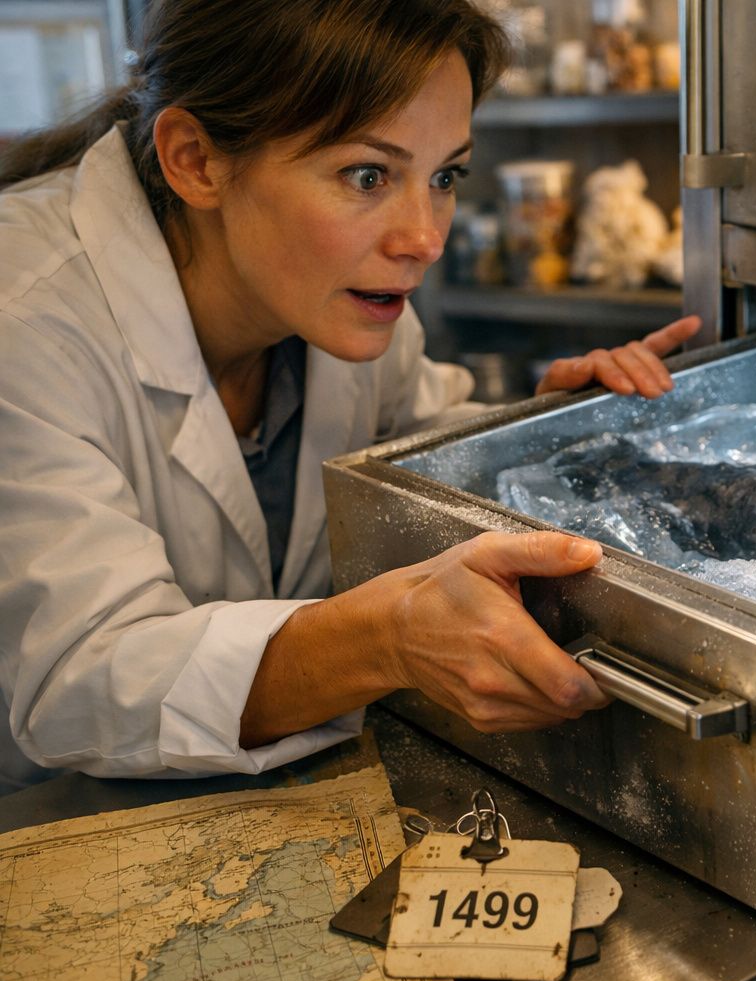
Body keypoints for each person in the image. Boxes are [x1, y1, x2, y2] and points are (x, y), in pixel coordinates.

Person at [0, 0, 701, 794]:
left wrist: (528, 437)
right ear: (196, 160)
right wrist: (385, 643)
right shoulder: (21, 321)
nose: (424, 238)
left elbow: (407, 449)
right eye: (367, 176)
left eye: (444, 177)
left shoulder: (344, 302)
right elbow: (82, 679)